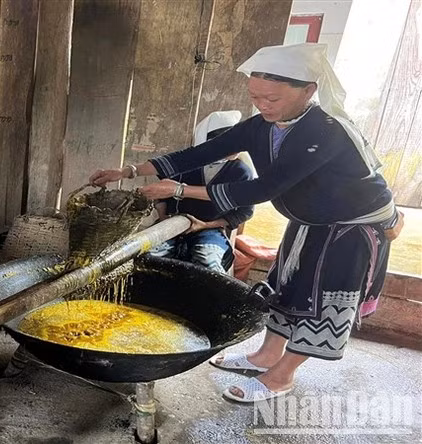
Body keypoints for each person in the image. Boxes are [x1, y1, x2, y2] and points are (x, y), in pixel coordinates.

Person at [90, 43, 404, 403]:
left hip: (349, 228)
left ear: (308, 91)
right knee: (287, 288)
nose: (262, 105)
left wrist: (179, 189)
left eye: (272, 98)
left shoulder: (325, 131)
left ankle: (281, 376)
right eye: (255, 96)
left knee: (320, 301)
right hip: (310, 222)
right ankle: (265, 355)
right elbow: (199, 152)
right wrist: (128, 170)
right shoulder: (262, 126)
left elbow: (264, 187)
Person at [147, 110, 255, 274]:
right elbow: (160, 194)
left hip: (209, 229)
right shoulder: (187, 162)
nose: (235, 150)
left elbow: (244, 212)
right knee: (147, 258)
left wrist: (205, 225)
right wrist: (164, 219)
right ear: (210, 144)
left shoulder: (240, 172)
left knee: (207, 263)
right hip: (171, 224)